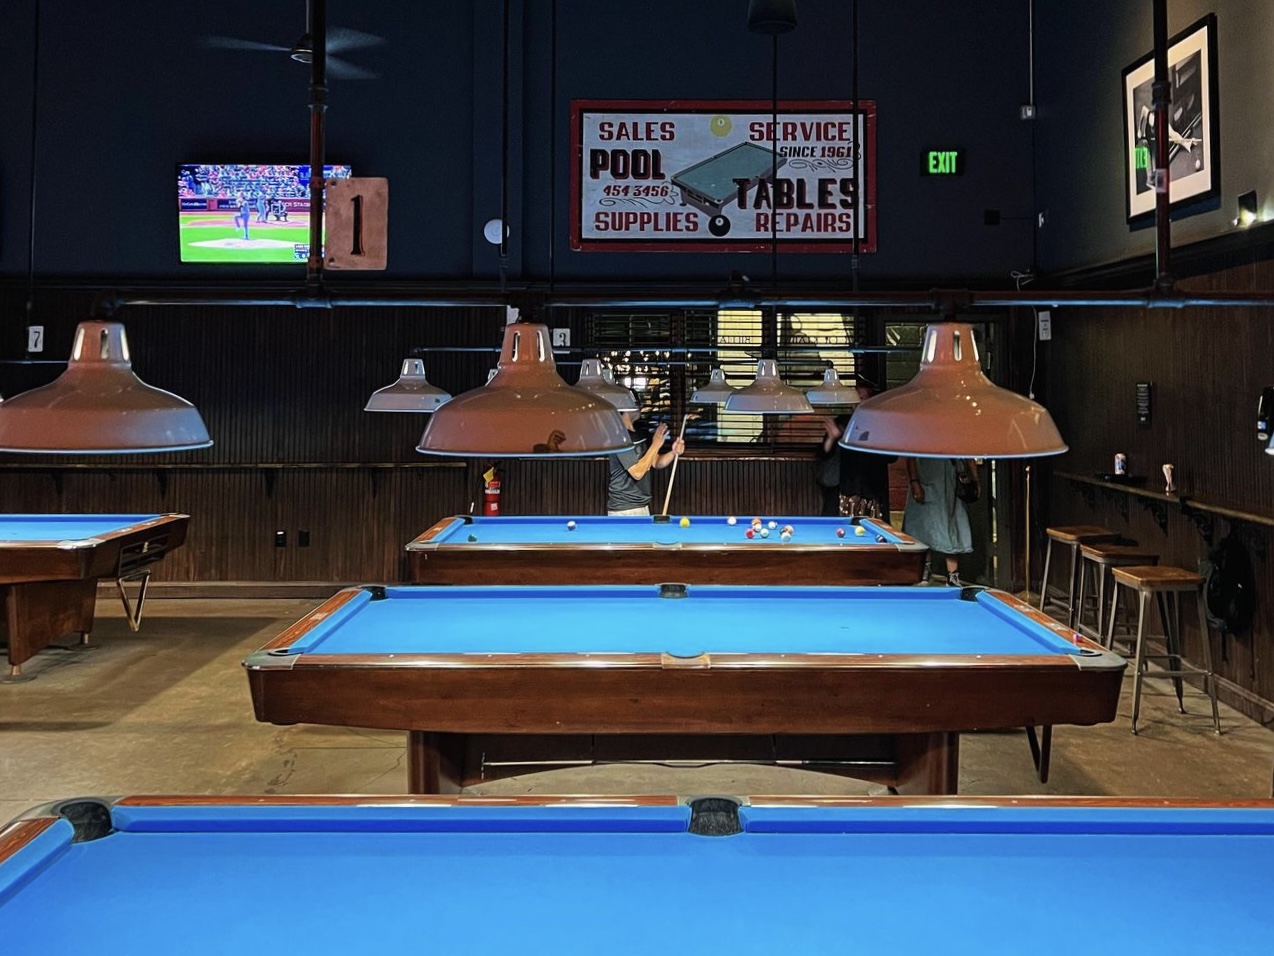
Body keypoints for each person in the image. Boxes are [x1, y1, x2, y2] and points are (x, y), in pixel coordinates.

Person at [815, 381, 895, 521]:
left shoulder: (882, 425)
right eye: (855, 397)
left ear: (871, 400)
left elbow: (891, 457)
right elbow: (823, 452)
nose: (857, 401)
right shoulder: (842, 422)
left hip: (872, 490)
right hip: (843, 491)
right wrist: (832, 438)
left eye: (862, 397)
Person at [902, 456, 979, 586]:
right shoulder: (920, 437)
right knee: (924, 526)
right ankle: (924, 571)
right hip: (927, 478)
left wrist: (975, 480)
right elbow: (911, 457)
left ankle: (953, 575)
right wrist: (914, 481)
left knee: (952, 525)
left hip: (952, 481)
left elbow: (968, 455)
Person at [607, 411, 684, 516]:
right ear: (627, 409)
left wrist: (674, 452)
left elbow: (656, 462)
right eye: (637, 404)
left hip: (642, 505)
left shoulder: (639, 434)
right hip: (624, 508)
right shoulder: (619, 437)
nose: (640, 407)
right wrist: (656, 444)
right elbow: (637, 473)